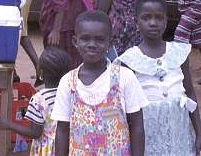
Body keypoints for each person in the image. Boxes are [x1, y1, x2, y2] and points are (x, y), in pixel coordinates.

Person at [119, 0, 201, 156]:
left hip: (178, 131)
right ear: (136, 22)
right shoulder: (129, 60)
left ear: (167, 21)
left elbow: (189, 93)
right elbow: (125, 108)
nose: (153, 23)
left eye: (159, 18)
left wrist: (199, 135)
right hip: (147, 134)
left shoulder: (179, 53)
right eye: (146, 18)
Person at [52, 11, 148, 156]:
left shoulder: (125, 77)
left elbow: (137, 126)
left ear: (110, 42)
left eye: (100, 39)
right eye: (85, 39)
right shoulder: (67, 83)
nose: (92, 45)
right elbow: (62, 129)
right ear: (75, 41)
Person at [0, 47, 72, 156]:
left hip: (48, 150)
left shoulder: (39, 99)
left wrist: (9, 125)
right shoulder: (71, 94)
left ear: (40, 73)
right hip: (67, 146)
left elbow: (35, 133)